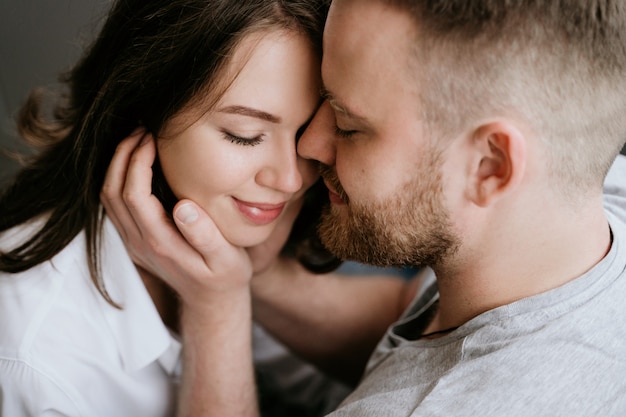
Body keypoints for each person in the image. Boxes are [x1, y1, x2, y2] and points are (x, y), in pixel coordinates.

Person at [102, 0, 626, 415]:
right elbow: (419, 322)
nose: (311, 145)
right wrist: (250, 279)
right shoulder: (581, 201)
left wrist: (215, 313)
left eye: (350, 126)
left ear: (490, 166)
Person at [0, 0, 363, 415]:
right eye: (244, 135)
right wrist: (218, 308)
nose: (290, 179)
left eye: (305, 131)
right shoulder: (36, 366)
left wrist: (241, 285)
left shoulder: (224, 232)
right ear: (144, 107)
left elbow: (366, 380)